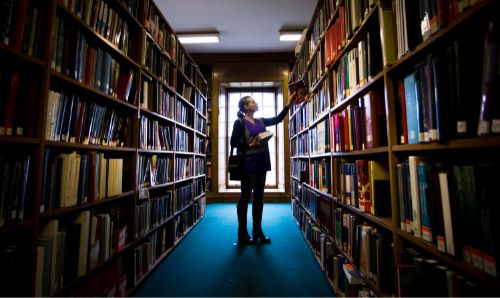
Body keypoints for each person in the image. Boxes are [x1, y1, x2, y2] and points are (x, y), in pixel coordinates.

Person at [230, 92, 300, 244]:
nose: (256, 103)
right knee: (245, 197)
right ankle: (242, 233)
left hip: (262, 161)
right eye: (252, 102)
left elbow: (278, 119)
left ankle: (257, 231)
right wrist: (249, 144)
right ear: (246, 107)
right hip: (247, 163)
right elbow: (233, 143)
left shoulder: (261, 121)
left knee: (259, 198)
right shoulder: (239, 123)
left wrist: (289, 103)